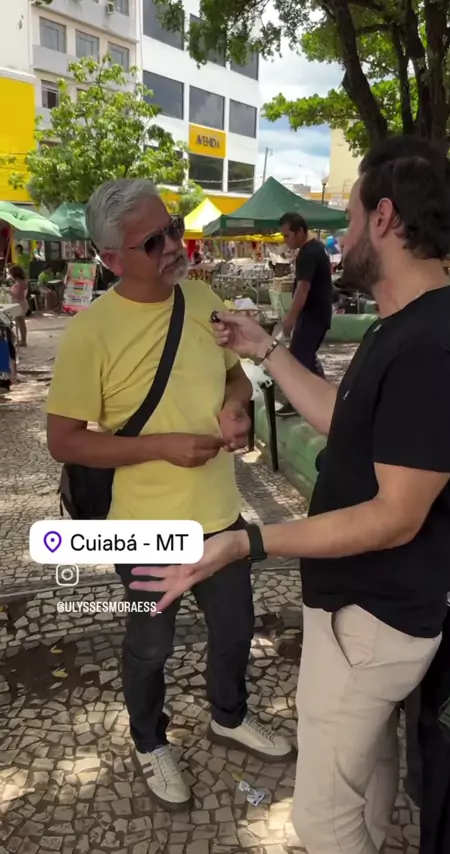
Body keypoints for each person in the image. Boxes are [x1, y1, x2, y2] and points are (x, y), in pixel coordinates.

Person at [130, 137, 450, 854]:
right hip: (363, 610)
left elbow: (393, 517)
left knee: (322, 821)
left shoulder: (432, 349)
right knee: (365, 777)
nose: (340, 238)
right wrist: (264, 349)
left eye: (348, 220)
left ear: (384, 218)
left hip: (373, 617)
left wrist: (249, 541)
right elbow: (341, 418)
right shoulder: (405, 325)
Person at [45, 179, 293, 812]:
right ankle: (149, 740)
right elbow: (63, 440)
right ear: (111, 258)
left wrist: (236, 409)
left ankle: (228, 715)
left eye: (173, 228)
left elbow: (237, 378)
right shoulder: (92, 334)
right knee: (151, 646)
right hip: (145, 527)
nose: (173, 246)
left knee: (235, 629)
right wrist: (162, 446)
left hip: (220, 515)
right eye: (152, 242)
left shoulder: (202, 298)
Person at [277, 213, 332, 416]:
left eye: (287, 235)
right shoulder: (317, 248)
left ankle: (298, 403)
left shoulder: (308, 253)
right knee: (306, 357)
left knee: (298, 359)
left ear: (300, 231)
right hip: (318, 314)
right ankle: (327, 401)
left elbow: (303, 288)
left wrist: (290, 317)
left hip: (312, 315)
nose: (285, 241)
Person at [8, 264, 28, 346]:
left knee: (21, 324)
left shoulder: (21, 283)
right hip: (17, 305)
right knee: (19, 324)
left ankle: (23, 341)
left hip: (19, 305)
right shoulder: (19, 282)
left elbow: (19, 296)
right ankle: (21, 340)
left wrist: (9, 292)